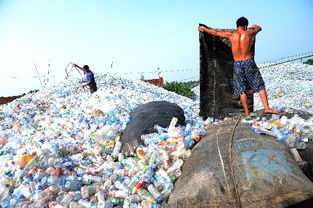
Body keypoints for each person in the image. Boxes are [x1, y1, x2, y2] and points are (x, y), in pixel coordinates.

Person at [198, 17, 280, 115]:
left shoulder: (232, 35)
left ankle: (246, 112)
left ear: (237, 26)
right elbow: (259, 28)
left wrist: (204, 29)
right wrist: (254, 27)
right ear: (245, 25)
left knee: (242, 89)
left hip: (237, 64)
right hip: (248, 62)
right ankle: (267, 108)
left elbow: (215, 33)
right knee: (260, 85)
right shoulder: (250, 33)